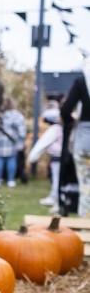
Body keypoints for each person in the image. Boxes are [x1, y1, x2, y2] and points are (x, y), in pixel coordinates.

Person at [60, 61, 90, 217]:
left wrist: (71, 121)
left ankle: (86, 226)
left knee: (86, 186)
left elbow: (66, 110)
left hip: (85, 138)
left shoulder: (82, 81)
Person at [0, 96, 27, 187]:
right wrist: (21, 140)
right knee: (11, 160)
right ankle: (11, 180)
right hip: (11, 143)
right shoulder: (16, 115)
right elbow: (22, 131)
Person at [28, 109, 63, 207]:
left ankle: (55, 197)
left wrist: (32, 157)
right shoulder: (69, 127)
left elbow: (42, 143)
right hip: (64, 158)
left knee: (57, 179)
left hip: (58, 158)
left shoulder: (55, 129)